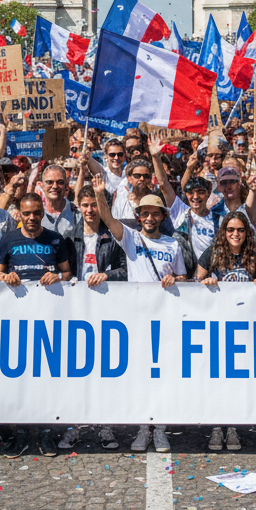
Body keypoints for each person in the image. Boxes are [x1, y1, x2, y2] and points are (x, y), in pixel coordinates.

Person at [93, 174, 186, 453]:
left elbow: (183, 277)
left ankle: (160, 430)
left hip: (165, 319)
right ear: (138, 215)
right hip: (136, 318)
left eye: (154, 214)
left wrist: (175, 281)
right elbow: (108, 220)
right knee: (142, 377)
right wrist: (100, 193)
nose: (149, 218)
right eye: (144, 213)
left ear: (162, 217)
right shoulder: (131, 238)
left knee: (162, 376)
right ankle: (142, 429)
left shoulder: (173, 244)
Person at [0, 191, 71, 459]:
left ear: (42, 212)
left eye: (36, 212)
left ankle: (46, 433)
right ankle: (22, 434)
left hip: (49, 317)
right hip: (16, 318)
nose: (31, 217)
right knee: (20, 379)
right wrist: (7, 277)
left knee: (47, 378)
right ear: (19, 214)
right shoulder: (8, 239)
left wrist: (57, 276)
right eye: (26, 213)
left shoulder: (55, 239)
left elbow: (69, 272)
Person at [59, 183, 127, 454]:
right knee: (75, 373)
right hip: (75, 314)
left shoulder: (114, 236)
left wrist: (106, 275)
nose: (90, 210)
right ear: (77, 206)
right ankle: (74, 426)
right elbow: (61, 271)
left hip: (106, 312)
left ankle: (105, 425)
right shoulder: (67, 236)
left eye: (94, 205)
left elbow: (125, 271)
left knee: (104, 371)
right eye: (85, 205)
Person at [196, 211, 256, 452]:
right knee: (217, 379)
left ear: (247, 234)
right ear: (223, 233)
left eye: (240, 230)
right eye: (230, 230)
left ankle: (234, 426)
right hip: (217, 327)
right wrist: (205, 283)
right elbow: (196, 284)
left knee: (237, 380)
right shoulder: (212, 254)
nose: (235, 234)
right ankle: (217, 426)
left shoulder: (254, 259)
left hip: (244, 329)